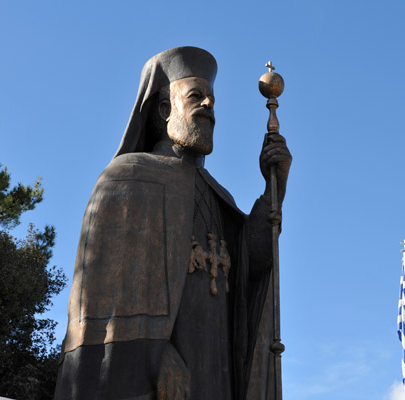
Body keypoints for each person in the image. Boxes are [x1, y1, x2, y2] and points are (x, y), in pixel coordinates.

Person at [54, 46, 291, 400]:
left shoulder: (216, 195)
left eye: (212, 99)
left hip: (217, 368)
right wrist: (154, 356)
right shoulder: (128, 177)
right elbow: (98, 301)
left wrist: (275, 189)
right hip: (157, 375)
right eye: (196, 96)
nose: (209, 105)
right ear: (165, 109)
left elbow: (249, 268)